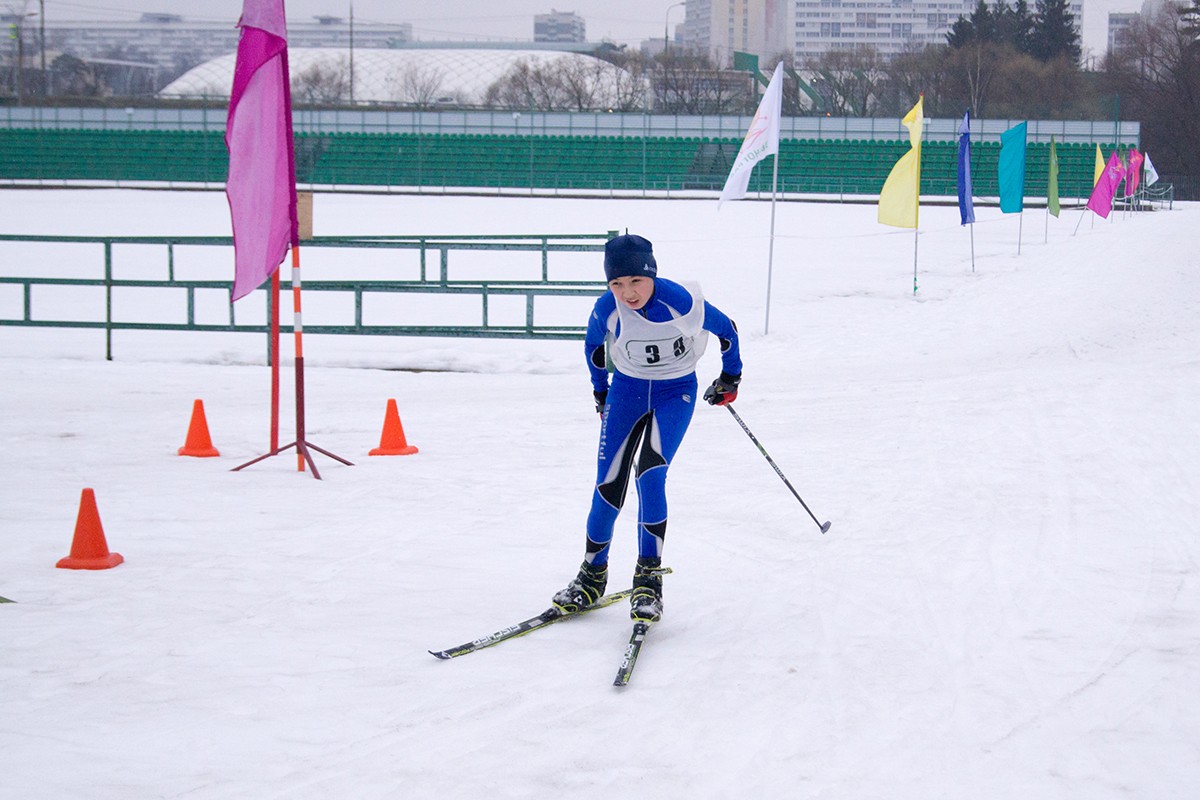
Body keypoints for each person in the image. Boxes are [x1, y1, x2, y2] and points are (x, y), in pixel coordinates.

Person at [551, 233, 742, 623]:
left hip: (675, 393)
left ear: (651, 274)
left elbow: (728, 331)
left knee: (650, 473)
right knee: (609, 482)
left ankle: (648, 580)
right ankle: (591, 574)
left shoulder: (681, 302)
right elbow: (593, 350)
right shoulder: (607, 308)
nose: (628, 292)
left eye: (636, 281)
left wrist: (730, 378)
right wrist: (600, 392)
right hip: (627, 391)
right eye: (617, 283)